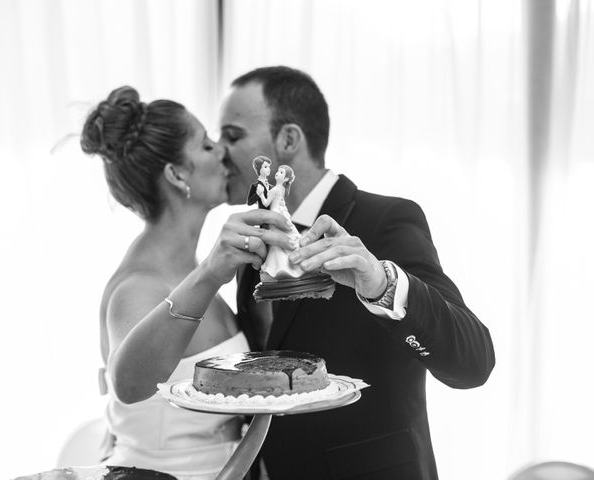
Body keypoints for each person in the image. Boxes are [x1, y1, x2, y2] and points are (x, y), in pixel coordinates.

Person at [219, 66, 496, 480]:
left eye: (233, 135)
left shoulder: (385, 220)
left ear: (288, 140)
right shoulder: (253, 236)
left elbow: (473, 363)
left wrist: (383, 284)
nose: (219, 150)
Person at [80, 86, 292, 480]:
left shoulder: (194, 273)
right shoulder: (138, 287)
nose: (223, 152)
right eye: (207, 145)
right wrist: (211, 271)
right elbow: (127, 384)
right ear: (177, 174)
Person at [255, 164, 303, 280]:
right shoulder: (282, 190)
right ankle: (286, 265)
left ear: (286, 179)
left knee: (276, 242)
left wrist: (260, 194)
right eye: (278, 171)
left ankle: (277, 266)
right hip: (281, 214)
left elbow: (266, 203)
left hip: (274, 216)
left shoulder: (275, 189)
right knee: (280, 241)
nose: (277, 173)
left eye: (281, 173)